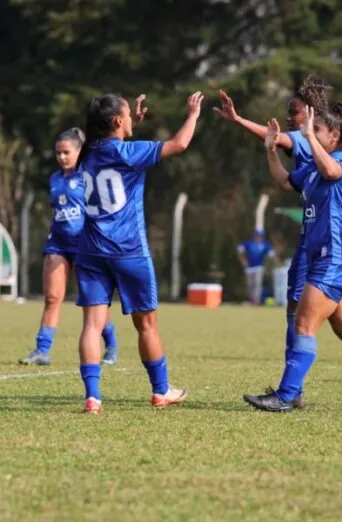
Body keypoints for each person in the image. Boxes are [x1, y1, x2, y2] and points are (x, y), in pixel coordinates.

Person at [216, 80, 342, 410]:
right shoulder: (310, 169)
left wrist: (308, 136)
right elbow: (284, 180)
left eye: (315, 127)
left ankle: (286, 395)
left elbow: (332, 169)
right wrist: (270, 150)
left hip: (336, 254)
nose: (305, 128)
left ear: (332, 136)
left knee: (304, 323)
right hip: (322, 251)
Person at [74, 91, 203, 414]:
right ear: (118, 121)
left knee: (92, 326)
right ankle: (161, 391)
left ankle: (93, 397)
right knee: (146, 326)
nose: (132, 117)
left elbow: (115, 149)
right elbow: (179, 144)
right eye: (128, 114)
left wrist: (130, 127)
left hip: (90, 251)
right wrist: (193, 115)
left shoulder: (86, 153)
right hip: (128, 250)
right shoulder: (130, 152)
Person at [19, 128, 119, 367]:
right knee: (52, 298)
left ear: (79, 152)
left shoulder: (89, 175)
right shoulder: (55, 179)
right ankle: (42, 350)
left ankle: (112, 345)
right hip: (58, 244)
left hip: (86, 245)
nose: (62, 157)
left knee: (93, 301)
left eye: (66, 152)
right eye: (58, 153)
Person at [238, 229, 276, 305]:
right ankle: (251, 299)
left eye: (260, 235)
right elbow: (240, 250)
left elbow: (271, 256)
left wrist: (267, 265)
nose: (258, 237)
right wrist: (243, 261)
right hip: (249, 268)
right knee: (250, 284)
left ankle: (256, 301)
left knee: (257, 284)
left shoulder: (265, 245)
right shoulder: (248, 243)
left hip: (259, 267)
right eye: (257, 235)